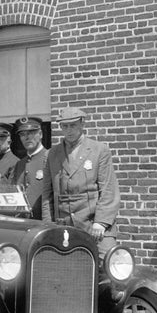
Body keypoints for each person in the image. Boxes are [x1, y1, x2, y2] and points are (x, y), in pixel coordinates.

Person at [41, 107, 121, 260]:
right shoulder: (51, 154)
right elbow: (47, 195)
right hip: (64, 224)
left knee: (107, 263)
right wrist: (48, 225)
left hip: (94, 225)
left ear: (82, 124)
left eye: (73, 125)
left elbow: (108, 190)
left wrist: (101, 223)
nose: (68, 130)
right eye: (65, 126)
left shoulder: (99, 151)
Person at [9, 116, 49, 219]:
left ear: (40, 134)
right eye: (23, 134)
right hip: (22, 222)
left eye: (31, 133)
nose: (27, 138)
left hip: (42, 221)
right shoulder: (20, 164)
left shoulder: (50, 158)